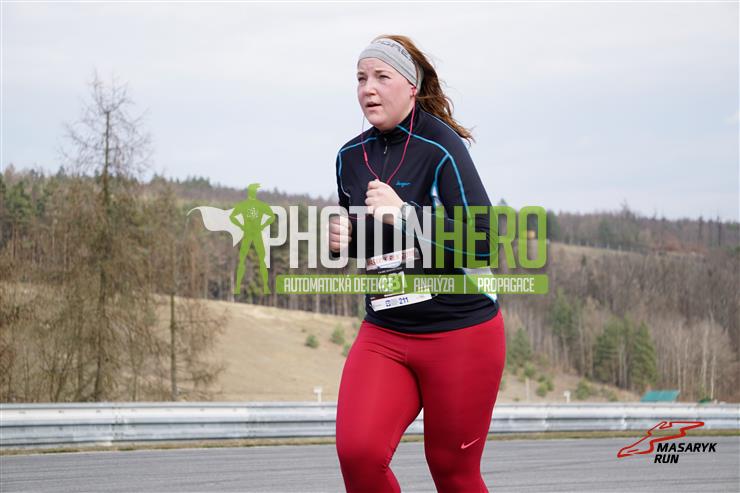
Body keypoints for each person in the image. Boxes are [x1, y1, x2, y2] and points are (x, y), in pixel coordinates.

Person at [329, 35, 506, 493]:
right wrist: (345, 240)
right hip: (386, 332)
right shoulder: (349, 157)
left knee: (452, 471)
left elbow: (484, 242)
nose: (368, 88)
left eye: (381, 77)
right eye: (361, 78)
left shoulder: (441, 146)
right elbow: (376, 243)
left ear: (411, 87)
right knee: (359, 453)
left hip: (460, 332)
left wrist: (406, 214)